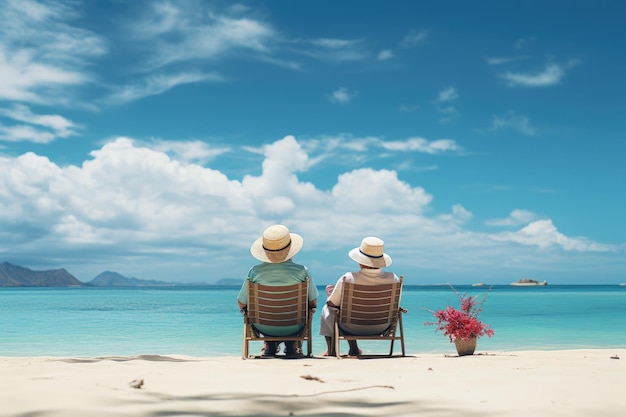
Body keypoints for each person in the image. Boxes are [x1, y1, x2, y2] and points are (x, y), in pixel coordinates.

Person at [237, 224, 318, 356]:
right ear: (291, 250)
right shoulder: (302, 271)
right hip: (294, 325)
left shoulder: (255, 272)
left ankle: (269, 343)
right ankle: (292, 344)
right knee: (303, 312)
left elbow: (241, 303)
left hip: (263, 326)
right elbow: (313, 303)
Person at [319, 236, 400, 356]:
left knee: (328, 308)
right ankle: (354, 349)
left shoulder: (348, 278)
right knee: (345, 309)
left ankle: (332, 349)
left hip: (351, 327)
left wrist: (330, 295)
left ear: (361, 261)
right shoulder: (394, 278)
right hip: (382, 326)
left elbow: (332, 304)